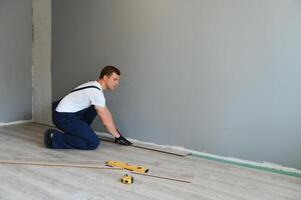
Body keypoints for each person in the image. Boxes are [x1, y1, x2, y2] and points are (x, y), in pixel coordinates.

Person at [44, 66, 132, 150]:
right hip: (63, 117)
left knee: (97, 108)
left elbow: (105, 111)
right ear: (105, 78)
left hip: (68, 114)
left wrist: (117, 134)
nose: (117, 83)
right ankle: (54, 138)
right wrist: (118, 137)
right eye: (115, 79)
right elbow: (105, 121)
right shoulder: (95, 92)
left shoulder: (94, 85)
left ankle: (78, 132)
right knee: (92, 142)